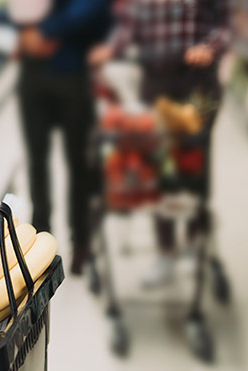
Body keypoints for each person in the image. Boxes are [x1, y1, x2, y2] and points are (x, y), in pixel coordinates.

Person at [89, 0, 230, 286]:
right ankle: (166, 251)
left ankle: (194, 236)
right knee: (160, 164)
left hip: (199, 81)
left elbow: (225, 25)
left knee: (193, 161)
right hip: (156, 81)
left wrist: (210, 47)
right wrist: (112, 48)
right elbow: (130, 23)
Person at [15, 0, 113, 274]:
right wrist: (26, 31)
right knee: (37, 161)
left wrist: (43, 31)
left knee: (79, 163)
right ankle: (39, 239)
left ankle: (80, 240)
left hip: (73, 73)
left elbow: (92, 8)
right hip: (34, 75)